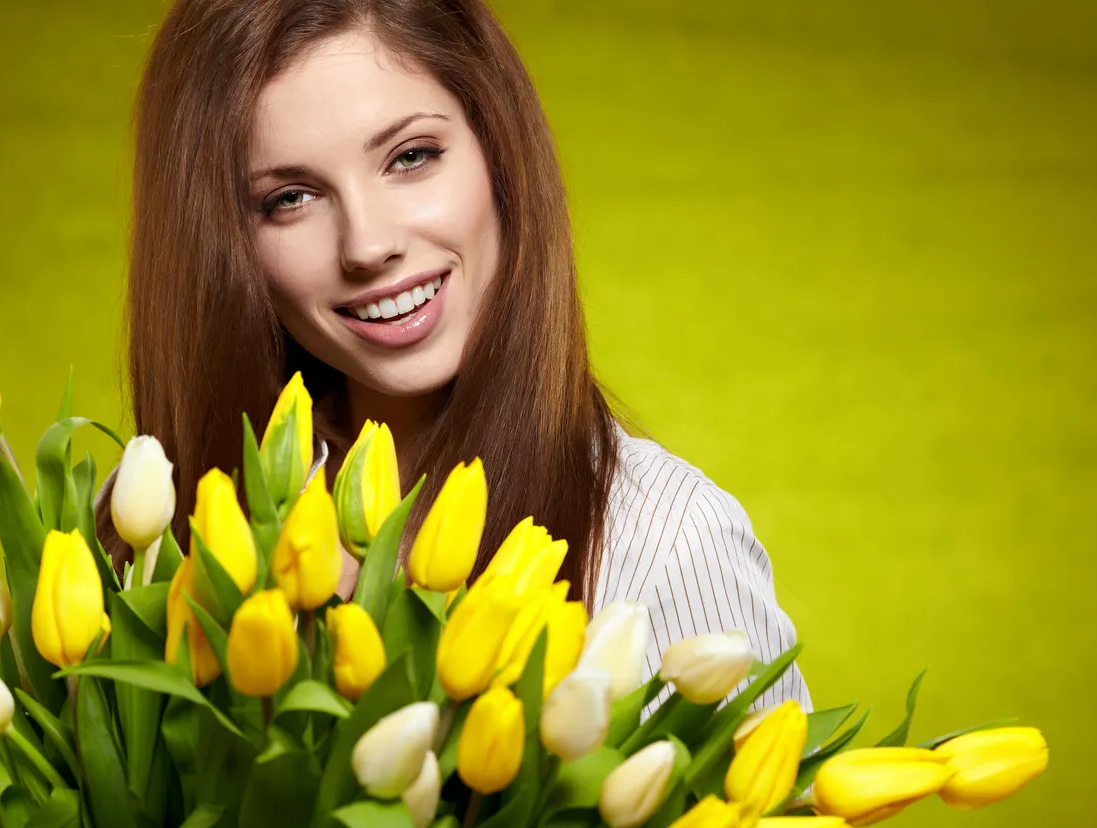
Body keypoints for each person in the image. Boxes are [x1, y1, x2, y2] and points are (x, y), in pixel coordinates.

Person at [95, 0, 808, 710]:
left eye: (410, 157)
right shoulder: (149, 523)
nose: (368, 246)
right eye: (291, 197)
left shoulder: (665, 544)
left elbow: (764, 813)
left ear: (498, 149)